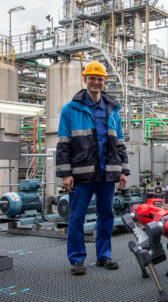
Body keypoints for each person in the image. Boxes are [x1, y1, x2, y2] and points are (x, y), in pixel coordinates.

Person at [56, 61, 130, 275]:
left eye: (99, 79)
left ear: (104, 81)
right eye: (92, 78)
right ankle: (77, 259)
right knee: (77, 215)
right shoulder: (71, 110)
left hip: (107, 172)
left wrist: (123, 171)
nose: (96, 82)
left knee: (106, 214)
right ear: (85, 79)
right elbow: (63, 143)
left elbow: (120, 144)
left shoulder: (112, 111)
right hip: (81, 173)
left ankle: (103, 256)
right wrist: (66, 173)